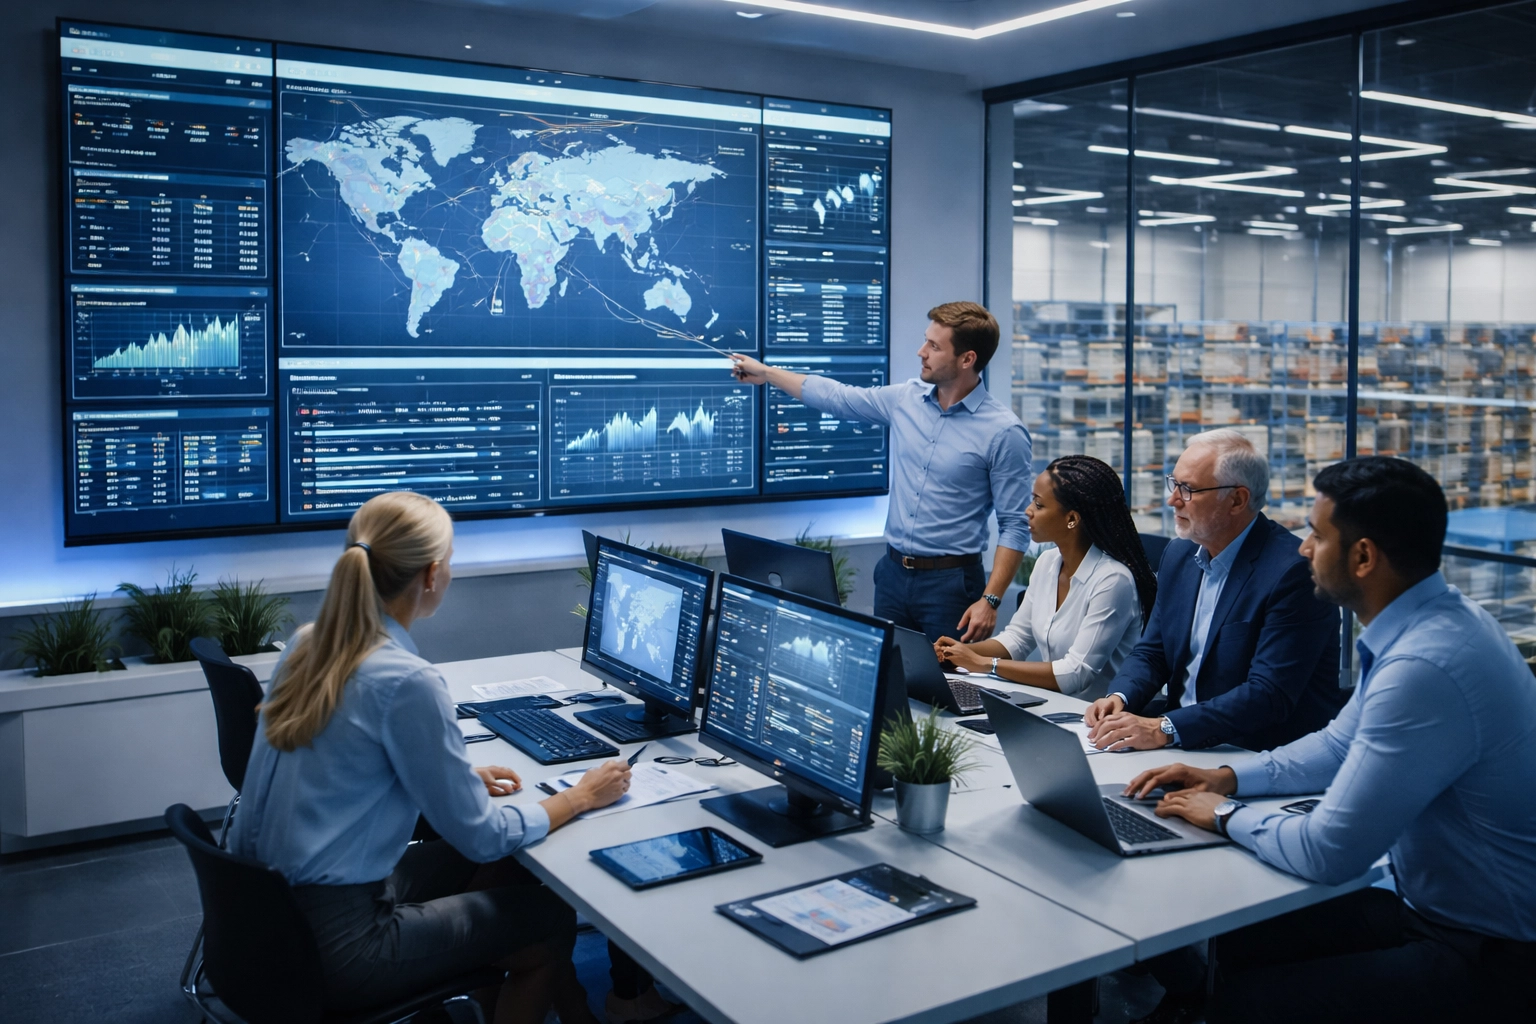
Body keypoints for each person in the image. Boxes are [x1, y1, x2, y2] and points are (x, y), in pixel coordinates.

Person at [1125, 456, 1536, 1024]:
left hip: (1490, 950)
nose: (1301, 549)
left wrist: (1223, 812)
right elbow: (1339, 745)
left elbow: (1329, 851)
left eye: (1317, 535)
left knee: (1249, 1004)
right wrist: (1227, 776)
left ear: (1364, 557)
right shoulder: (1428, 622)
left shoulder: (1425, 664)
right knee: (1244, 934)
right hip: (1430, 905)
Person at [230, 491, 666, 1024]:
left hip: (267, 919)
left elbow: (349, 763)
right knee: (548, 915)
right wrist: (580, 797)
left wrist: (453, 775)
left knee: (509, 866)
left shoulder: (309, 643)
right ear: (432, 575)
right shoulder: (406, 680)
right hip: (340, 945)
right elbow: (481, 834)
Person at [730, 301, 1031, 643]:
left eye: (934, 346)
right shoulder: (906, 399)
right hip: (891, 575)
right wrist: (768, 373)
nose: (921, 352)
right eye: (925, 341)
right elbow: (838, 398)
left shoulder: (1004, 431)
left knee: (948, 691)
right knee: (889, 686)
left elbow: (1015, 525)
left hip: (951, 586)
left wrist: (990, 601)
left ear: (967, 359)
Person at [1083, 427, 1345, 753]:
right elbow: (1154, 651)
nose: (1172, 499)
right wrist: (1118, 698)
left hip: (1253, 753)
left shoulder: (1293, 572)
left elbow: (1268, 695)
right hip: (1178, 740)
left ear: (1237, 500)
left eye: (1188, 489)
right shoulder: (1180, 554)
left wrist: (1165, 728)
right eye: (1174, 483)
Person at [933, 455, 1155, 700]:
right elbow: (1017, 639)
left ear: (1072, 518)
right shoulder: (1047, 562)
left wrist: (984, 664)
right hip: (1052, 706)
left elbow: (1076, 674)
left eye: (1039, 505)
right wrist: (958, 653)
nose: (1028, 511)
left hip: (1095, 720)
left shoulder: (1113, 581)